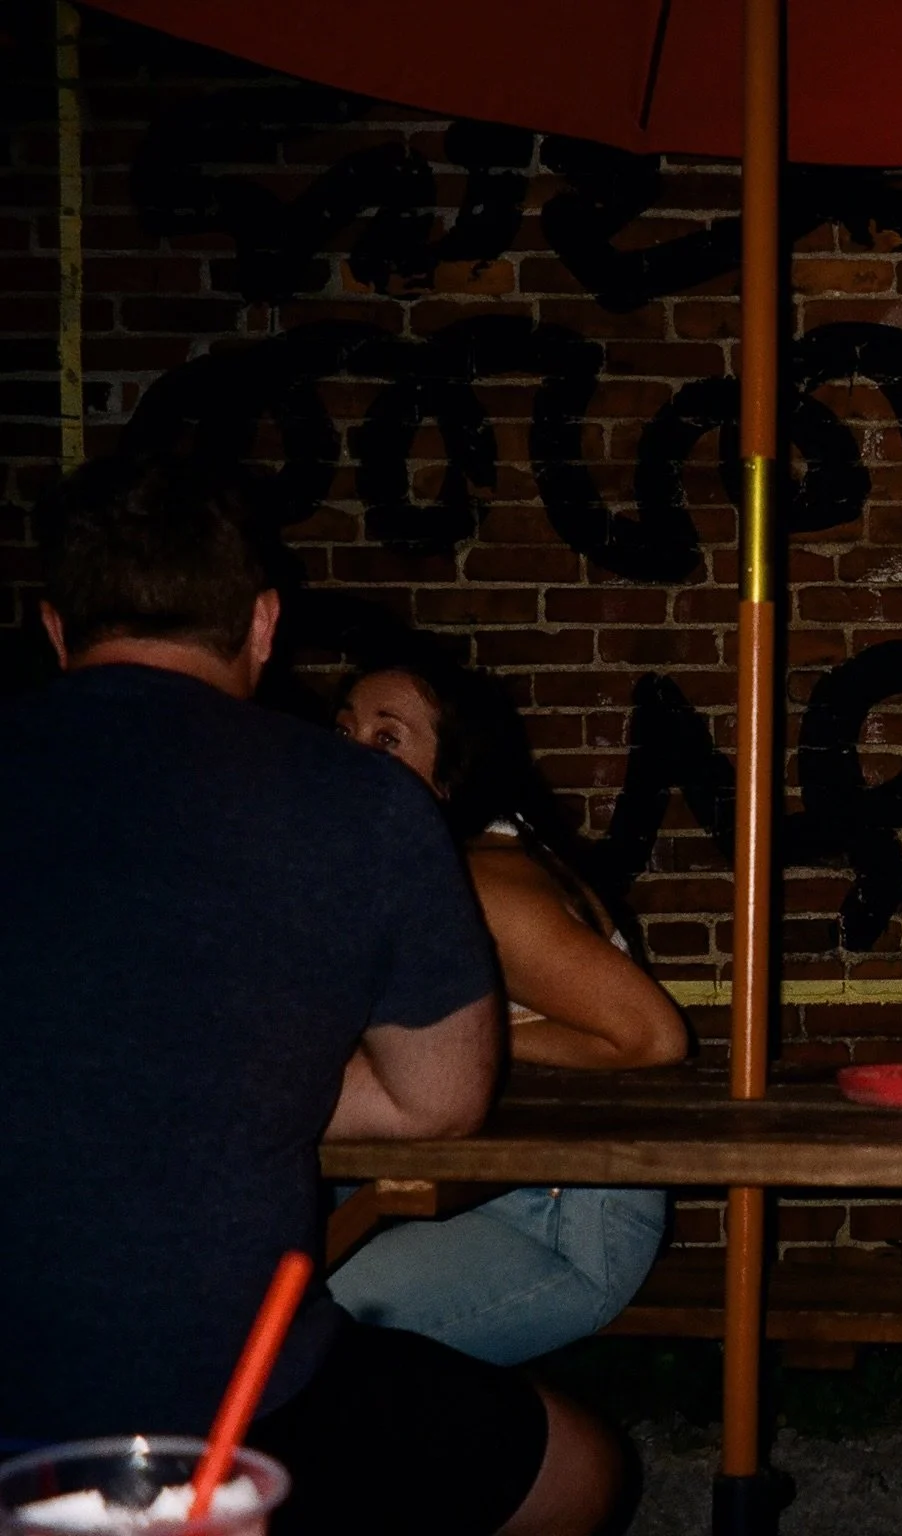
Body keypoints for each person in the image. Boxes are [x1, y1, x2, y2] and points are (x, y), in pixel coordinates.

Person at [0, 456, 621, 1536]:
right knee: (585, 1472)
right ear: (262, 623)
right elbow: (437, 1100)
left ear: (56, 630)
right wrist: (223, 1077)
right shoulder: (363, 806)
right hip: (226, 1389)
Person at [327, 649, 688, 1365]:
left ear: (450, 779)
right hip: (471, 1184)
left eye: (387, 738)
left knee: (306, 1339)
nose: (352, 756)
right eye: (344, 733)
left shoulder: (487, 890)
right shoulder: (413, 874)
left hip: (561, 1219)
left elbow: (654, 1037)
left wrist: (459, 1043)